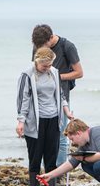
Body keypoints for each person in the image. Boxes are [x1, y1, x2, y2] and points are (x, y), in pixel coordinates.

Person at [16, 47, 73, 186]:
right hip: (35, 123)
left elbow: (60, 95)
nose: (47, 68)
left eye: (49, 65)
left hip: (54, 120)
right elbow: (23, 99)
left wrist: (66, 111)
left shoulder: (54, 72)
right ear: (37, 61)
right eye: (44, 66)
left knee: (51, 160)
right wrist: (21, 121)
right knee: (35, 160)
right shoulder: (27, 75)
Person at [32, 24, 83, 168]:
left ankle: (59, 171)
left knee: (61, 137)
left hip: (61, 98)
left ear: (50, 37)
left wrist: (56, 76)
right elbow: (35, 71)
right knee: (42, 137)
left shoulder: (67, 46)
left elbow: (79, 73)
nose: (41, 49)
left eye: (44, 45)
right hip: (41, 99)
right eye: (38, 46)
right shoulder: (38, 47)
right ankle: (46, 171)